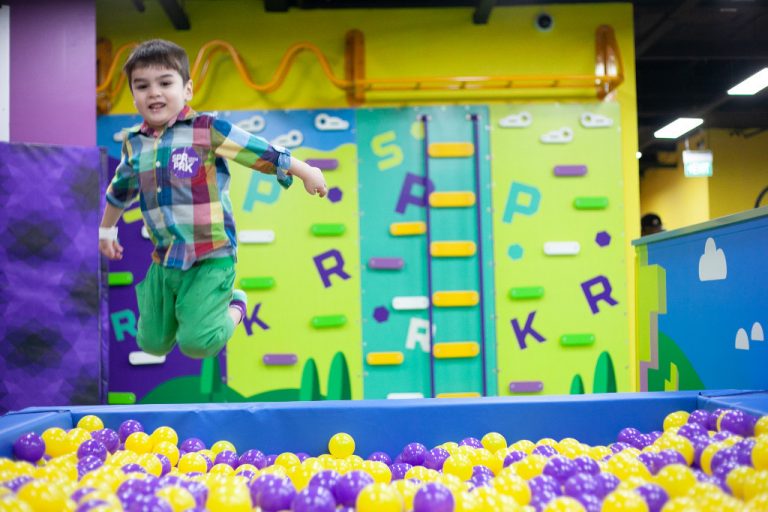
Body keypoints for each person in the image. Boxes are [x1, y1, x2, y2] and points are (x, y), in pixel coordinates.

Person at [98, 39, 327, 359]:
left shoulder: (205, 130)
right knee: (151, 343)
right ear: (133, 96)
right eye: (142, 86)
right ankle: (186, 306)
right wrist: (107, 230)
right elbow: (120, 189)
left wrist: (305, 171)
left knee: (197, 344)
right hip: (165, 257)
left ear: (187, 89)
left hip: (211, 253)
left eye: (165, 83)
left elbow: (257, 151)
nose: (154, 93)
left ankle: (235, 304)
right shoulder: (134, 144)